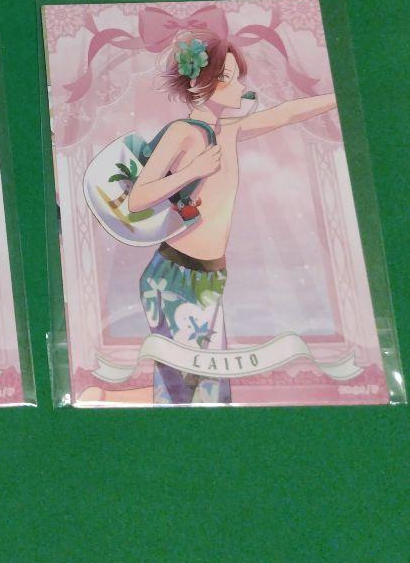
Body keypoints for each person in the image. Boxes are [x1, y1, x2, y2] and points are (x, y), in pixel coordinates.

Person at [80, 32, 335, 405]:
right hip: (177, 275)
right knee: (192, 393)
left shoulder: (227, 130)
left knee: (202, 389)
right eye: (228, 78)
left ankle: (102, 398)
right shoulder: (183, 133)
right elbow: (138, 198)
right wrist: (191, 171)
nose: (240, 88)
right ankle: (102, 400)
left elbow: (285, 114)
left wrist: (340, 97)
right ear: (200, 83)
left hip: (209, 274)